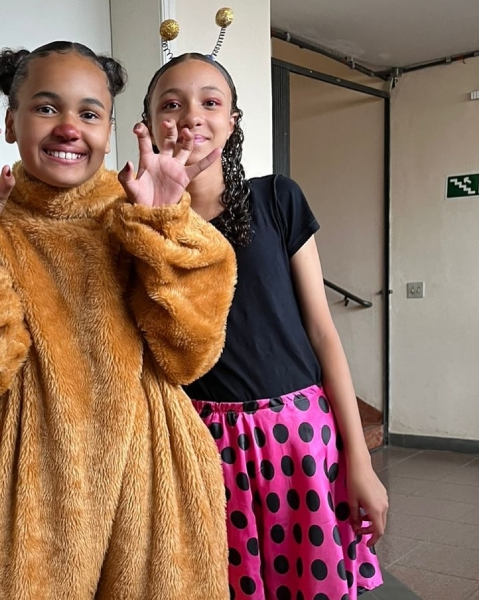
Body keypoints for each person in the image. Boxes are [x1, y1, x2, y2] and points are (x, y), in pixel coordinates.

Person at [0, 41, 237, 599]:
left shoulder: (137, 205)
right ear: (12, 121)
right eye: (45, 107)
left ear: (110, 128)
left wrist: (162, 226)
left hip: (152, 472)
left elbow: (189, 356)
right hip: (31, 475)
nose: (68, 128)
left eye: (89, 113)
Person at [141, 52, 387, 599]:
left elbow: (322, 332)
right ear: (150, 125)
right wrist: (155, 219)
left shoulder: (277, 198)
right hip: (197, 440)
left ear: (232, 121)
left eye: (210, 102)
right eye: (171, 105)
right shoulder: (139, 222)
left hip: (299, 435)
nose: (191, 116)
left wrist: (360, 459)